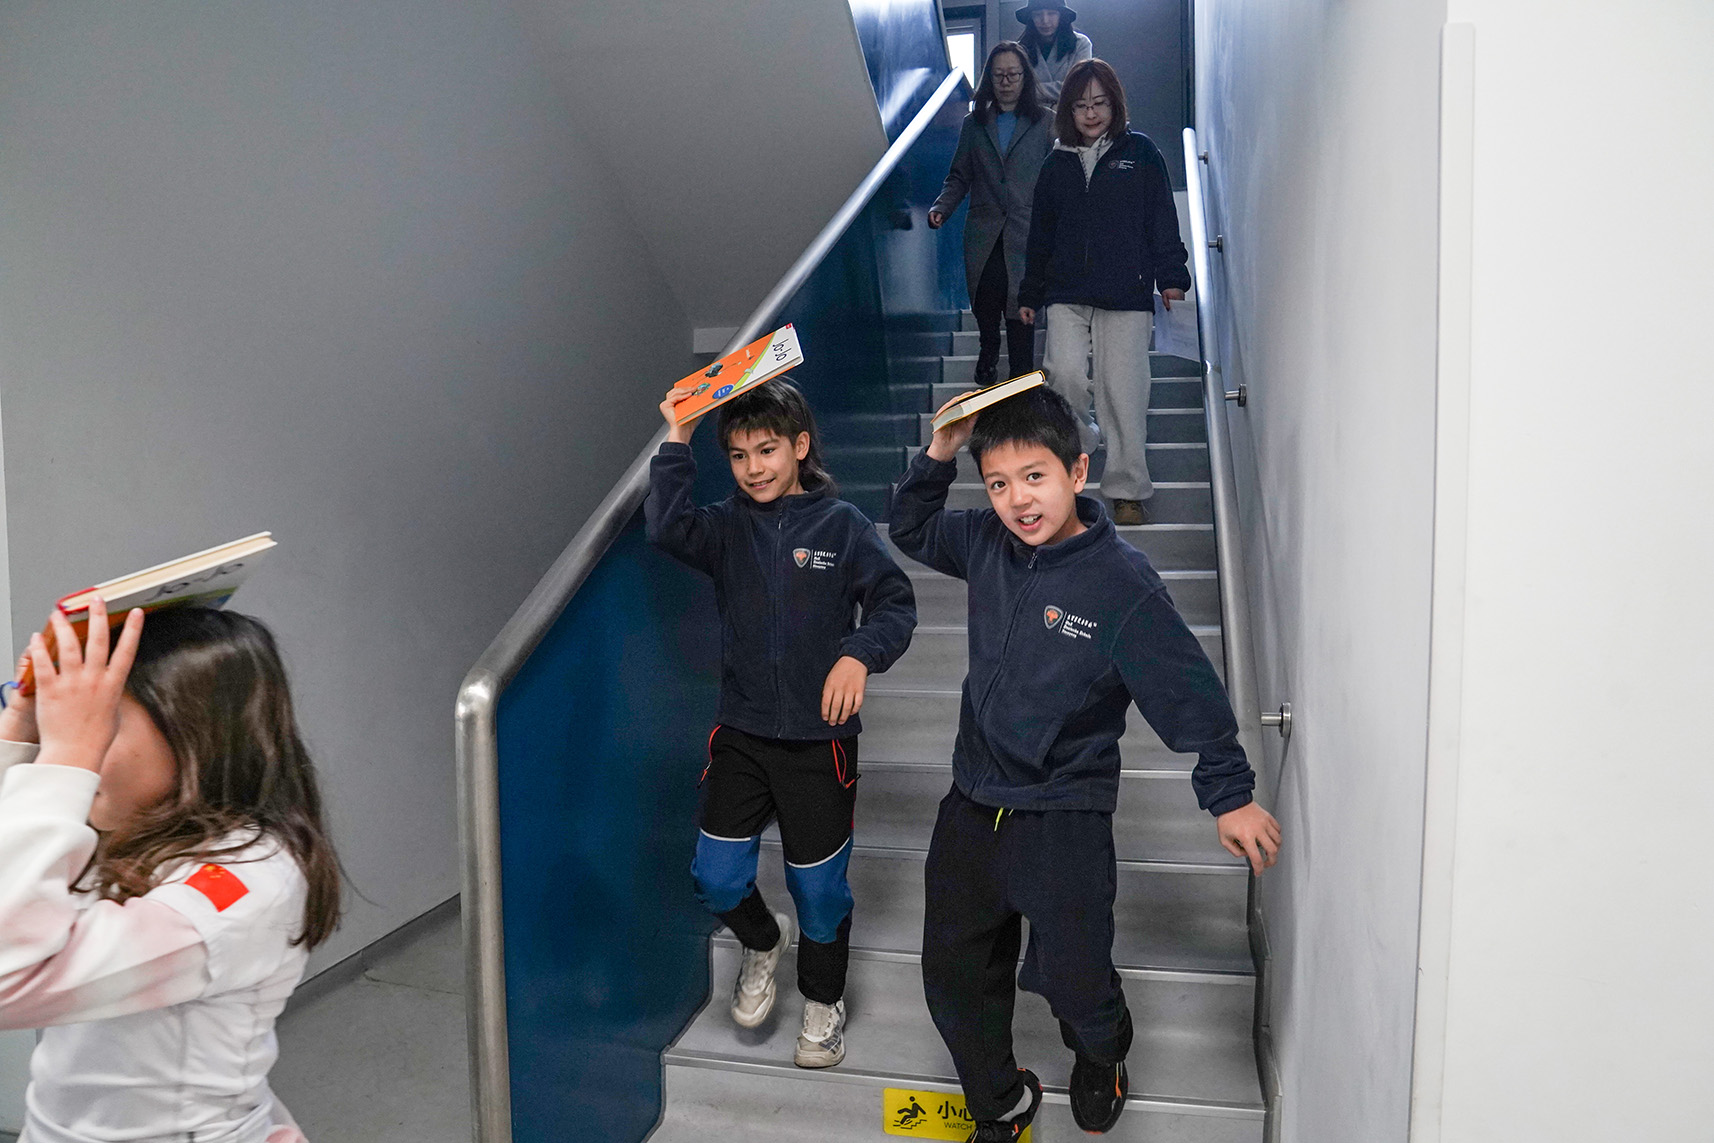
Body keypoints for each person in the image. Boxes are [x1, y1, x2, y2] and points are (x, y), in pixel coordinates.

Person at [888, 386, 1281, 1141]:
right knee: (953, 977)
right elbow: (909, 524)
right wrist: (941, 450)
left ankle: (1102, 1051)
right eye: (997, 483)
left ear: (1077, 470)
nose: (1017, 500)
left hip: (1063, 809)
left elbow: (1186, 688)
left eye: (1034, 476)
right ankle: (1001, 1102)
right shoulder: (985, 541)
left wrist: (1229, 793)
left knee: (1075, 978)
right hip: (972, 800)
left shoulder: (1121, 582)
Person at [645, 379, 916, 1069]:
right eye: (738, 456)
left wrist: (859, 654)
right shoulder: (724, 527)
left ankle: (823, 1000)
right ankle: (763, 941)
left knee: (819, 890)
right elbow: (666, 526)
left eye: (766, 450)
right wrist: (678, 436)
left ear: (800, 446)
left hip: (820, 743)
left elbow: (894, 603)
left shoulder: (843, 526)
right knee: (715, 878)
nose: (753, 468)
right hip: (741, 733)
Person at [0, 602, 343, 1143]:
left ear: (197, 738)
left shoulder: (244, 884)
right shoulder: (128, 823)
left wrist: (67, 758)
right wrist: (20, 739)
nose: (79, 754)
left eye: (101, 728)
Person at [1018, 58, 1190, 527]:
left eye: (1099, 103)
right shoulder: (1056, 165)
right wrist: (1030, 293)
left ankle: (1127, 489)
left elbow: (1162, 219)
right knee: (1064, 376)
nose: (1091, 113)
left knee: (1124, 391)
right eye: (1080, 105)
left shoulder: (1142, 153)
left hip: (1126, 292)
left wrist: (1172, 276)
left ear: (1115, 104)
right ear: (1067, 111)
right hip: (1066, 292)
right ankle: (1083, 439)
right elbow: (1040, 236)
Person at [929, 43, 1055, 390]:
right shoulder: (974, 124)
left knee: (1021, 315)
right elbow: (959, 176)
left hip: (1026, 232)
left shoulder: (1046, 121)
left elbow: (1057, 178)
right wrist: (942, 207)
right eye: (999, 75)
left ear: (1025, 77)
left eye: (1013, 74)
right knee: (986, 299)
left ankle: (1021, 395)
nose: (1006, 82)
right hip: (984, 230)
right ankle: (988, 350)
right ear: (989, 79)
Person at [1015, 0, 1092, 105]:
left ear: (1061, 15)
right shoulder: (1019, 49)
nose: (1045, 21)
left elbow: (1079, 85)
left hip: (1070, 112)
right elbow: (1015, 88)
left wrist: (1031, 91)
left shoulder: (1080, 44)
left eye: (1051, 13)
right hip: (1030, 113)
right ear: (1031, 18)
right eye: (1038, 14)